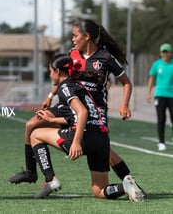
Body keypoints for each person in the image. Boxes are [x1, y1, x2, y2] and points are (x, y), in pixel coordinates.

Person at [9, 19, 144, 194]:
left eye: (75, 35)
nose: (73, 39)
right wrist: (50, 96)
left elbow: (126, 83)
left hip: (92, 109)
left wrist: (124, 105)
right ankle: (31, 172)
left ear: (86, 37)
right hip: (68, 104)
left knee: (104, 150)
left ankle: (129, 181)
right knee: (30, 125)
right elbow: (61, 75)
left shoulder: (105, 58)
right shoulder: (72, 54)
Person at [30, 53, 144, 201]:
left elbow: (82, 112)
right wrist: (51, 120)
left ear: (58, 72)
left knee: (36, 134)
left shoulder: (64, 86)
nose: (50, 75)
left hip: (84, 137)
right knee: (99, 191)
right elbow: (76, 116)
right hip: (102, 139)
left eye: (50, 71)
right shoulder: (80, 85)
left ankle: (50, 179)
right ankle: (124, 187)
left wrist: (76, 142)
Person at [146, 43, 173, 151]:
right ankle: (161, 142)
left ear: (171, 53)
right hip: (160, 95)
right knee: (161, 118)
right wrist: (148, 93)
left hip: (172, 95)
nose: (165, 54)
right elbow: (151, 79)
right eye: (163, 52)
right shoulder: (156, 65)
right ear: (161, 53)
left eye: (167, 52)